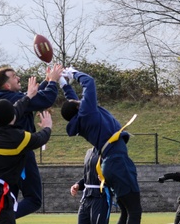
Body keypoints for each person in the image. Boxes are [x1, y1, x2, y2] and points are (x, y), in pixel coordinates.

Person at [0, 76, 53, 224]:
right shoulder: (17, 137)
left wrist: (29, 95)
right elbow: (40, 139)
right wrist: (47, 127)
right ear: (13, 116)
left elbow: (18, 108)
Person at [60, 68, 142, 224]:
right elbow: (89, 82)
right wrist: (74, 73)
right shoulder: (86, 112)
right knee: (134, 211)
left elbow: (72, 101)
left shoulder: (80, 118)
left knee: (125, 211)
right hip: (117, 161)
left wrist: (63, 83)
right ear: (78, 108)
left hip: (108, 165)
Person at [0, 64, 63, 218]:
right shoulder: (12, 98)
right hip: (20, 153)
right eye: (14, 76)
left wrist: (46, 81)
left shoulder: (5, 97)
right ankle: (0, 219)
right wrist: (53, 82)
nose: (18, 77)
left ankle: (0, 218)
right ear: (7, 85)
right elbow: (44, 99)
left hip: (6, 158)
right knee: (34, 199)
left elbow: (31, 97)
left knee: (10, 198)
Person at [70, 148, 112, 224]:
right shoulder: (89, 152)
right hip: (86, 198)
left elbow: (117, 176)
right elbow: (88, 175)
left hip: (100, 198)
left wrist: (106, 180)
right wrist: (78, 185)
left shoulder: (109, 151)